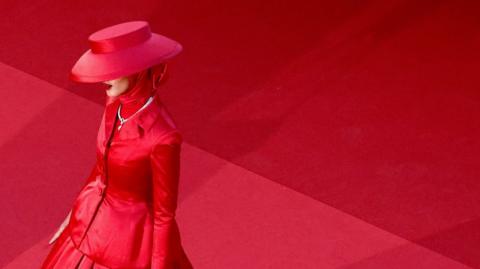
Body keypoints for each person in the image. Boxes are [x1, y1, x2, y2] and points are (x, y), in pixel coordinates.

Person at [41, 21, 193, 269]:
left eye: (115, 69)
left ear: (138, 71)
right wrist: (74, 213)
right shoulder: (114, 104)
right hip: (87, 222)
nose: (104, 78)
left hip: (127, 247)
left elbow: (165, 215)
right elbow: (103, 166)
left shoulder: (164, 137)